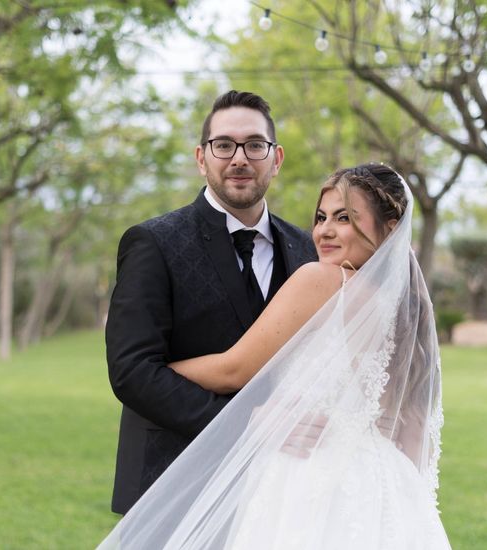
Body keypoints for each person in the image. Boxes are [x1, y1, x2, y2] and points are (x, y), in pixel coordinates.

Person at [98, 163, 449, 549]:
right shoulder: (407, 310)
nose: (325, 230)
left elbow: (233, 370)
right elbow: (414, 430)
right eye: (321, 217)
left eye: (345, 217)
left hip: (308, 477)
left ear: (391, 227)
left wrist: (155, 369)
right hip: (382, 486)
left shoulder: (322, 280)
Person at [105, 90, 317, 515]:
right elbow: (131, 371)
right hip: (173, 483)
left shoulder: (307, 249)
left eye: (255, 145)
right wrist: (244, 426)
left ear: (276, 159)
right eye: (224, 145)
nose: (239, 158)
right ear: (202, 158)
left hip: (282, 490)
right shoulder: (153, 242)